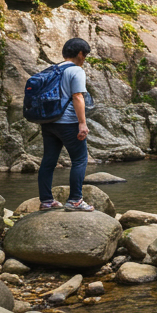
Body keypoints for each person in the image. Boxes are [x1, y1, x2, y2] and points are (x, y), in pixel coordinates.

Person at [37, 38, 95, 211]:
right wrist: (82, 124)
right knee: (79, 159)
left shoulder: (51, 70)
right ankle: (75, 200)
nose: (84, 59)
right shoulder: (76, 71)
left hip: (48, 122)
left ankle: (46, 201)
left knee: (48, 161)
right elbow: (78, 97)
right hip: (68, 122)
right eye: (85, 55)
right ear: (80, 54)